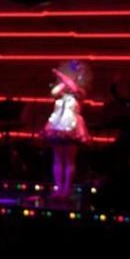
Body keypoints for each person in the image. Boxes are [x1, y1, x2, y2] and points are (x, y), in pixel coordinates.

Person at [42, 60, 92, 201]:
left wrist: (63, 75)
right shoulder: (60, 94)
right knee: (57, 159)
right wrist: (64, 80)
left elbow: (75, 88)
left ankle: (66, 189)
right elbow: (54, 91)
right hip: (57, 127)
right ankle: (59, 188)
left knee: (69, 160)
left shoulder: (80, 92)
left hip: (72, 127)